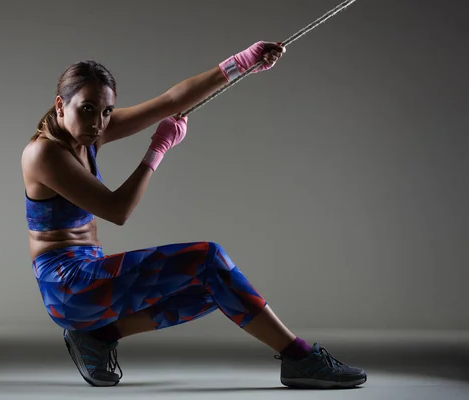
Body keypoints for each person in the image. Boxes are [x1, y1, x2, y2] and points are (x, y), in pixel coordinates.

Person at [21, 41, 367, 389]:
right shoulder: (44, 153)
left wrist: (241, 63)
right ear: (60, 105)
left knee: (216, 285)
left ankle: (99, 336)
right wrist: (158, 150)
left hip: (91, 280)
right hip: (68, 288)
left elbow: (171, 101)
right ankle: (299, 357)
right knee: (209, 259)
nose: (98, 122)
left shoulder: (87, 133)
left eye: (107, 112)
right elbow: (117, 211)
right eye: (88, 109)